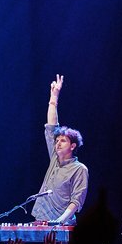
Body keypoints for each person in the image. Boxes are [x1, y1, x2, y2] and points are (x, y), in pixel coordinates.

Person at [32, 74, 89, 226]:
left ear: (73, 146)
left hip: (62, 224)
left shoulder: (79, 169)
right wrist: (54, 97)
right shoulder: (54, 158)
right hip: (41, 220)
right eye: (56, 141)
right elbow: (52, 126)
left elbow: (76, 201)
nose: (57, 143)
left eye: (63, 141)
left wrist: (58, 222)